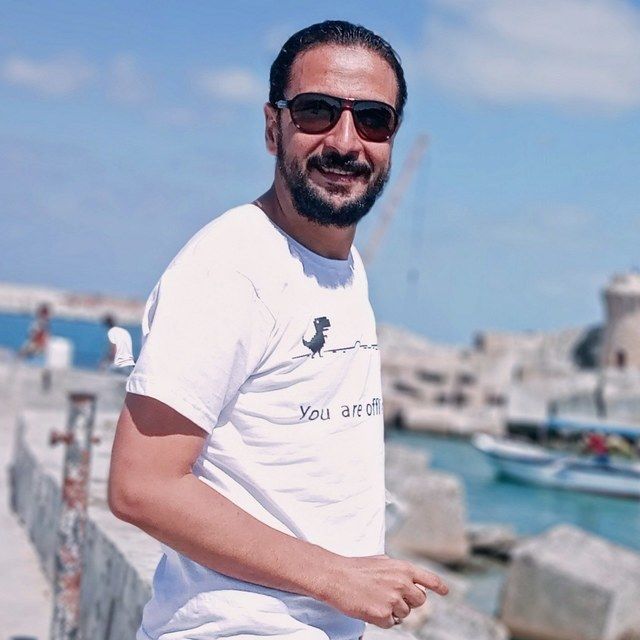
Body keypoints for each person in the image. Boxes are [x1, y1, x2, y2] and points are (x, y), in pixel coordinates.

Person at [108, 20, 449, 640]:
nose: (345, 141)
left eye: (373, 120)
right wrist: (338, 577)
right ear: (274, 127)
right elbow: (142, 485)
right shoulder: (231, 268)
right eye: (317, 111)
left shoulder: (342, 265)